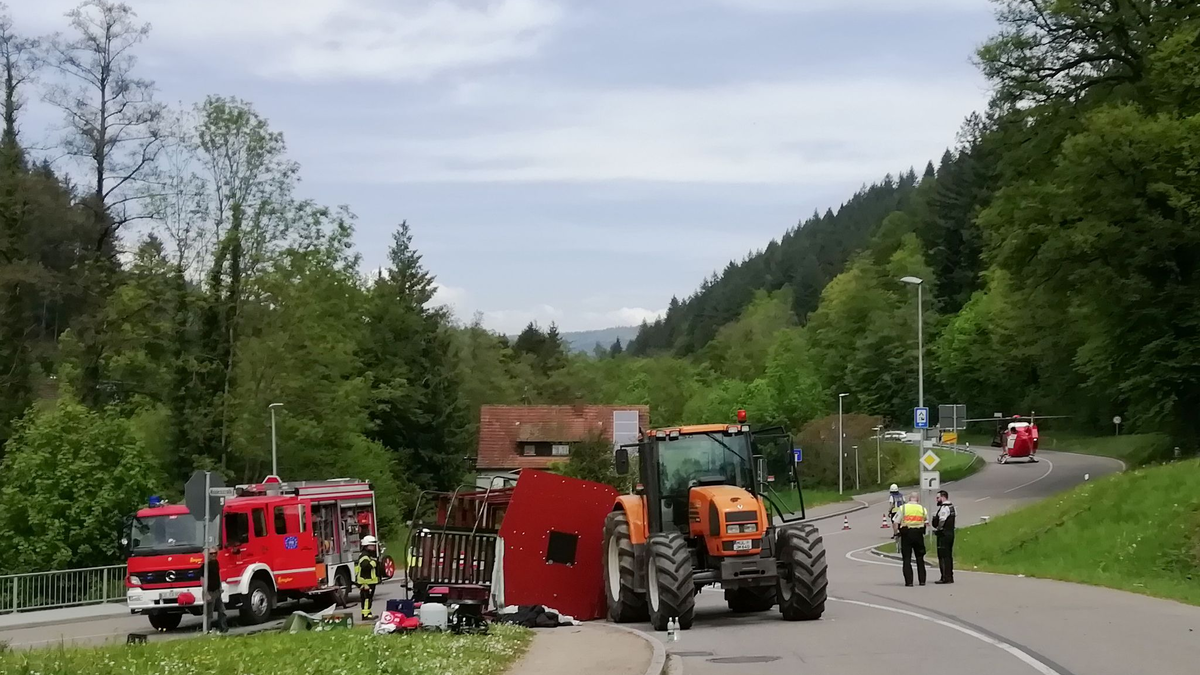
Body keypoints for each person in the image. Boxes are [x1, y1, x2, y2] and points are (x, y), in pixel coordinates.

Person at [893, 492, 928, 587]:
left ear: (909, 499)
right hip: (919, 535)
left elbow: (895, 522)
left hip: (907, 535)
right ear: (918, 499)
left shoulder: (903, 508)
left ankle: (909, 582)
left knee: (907, 559)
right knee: (920, 558)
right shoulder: (922, 509)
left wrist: (896, 533)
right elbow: (926, 522)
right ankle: (922, 580)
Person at [932, 489, 956, 584]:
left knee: (943, 556)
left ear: (943, 497)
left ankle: (945, 577)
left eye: (938, 498)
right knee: (949, 556)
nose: (937, 500)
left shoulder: (944, 508)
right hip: (950, 533)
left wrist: (938, 529)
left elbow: (942, 520)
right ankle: (950, 576)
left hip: (944, 534)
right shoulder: (952, 507)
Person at [356, 535, 381, 620]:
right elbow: (365, 565)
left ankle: (368, 613)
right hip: (366, 582)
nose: (374, 547)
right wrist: (374, 563)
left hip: (369, 581)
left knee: (368, 598)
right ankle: (366, 615)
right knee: (366, 599)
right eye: (372, 545)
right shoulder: (364, 555)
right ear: (367, 546)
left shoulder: (369, 554)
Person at [205, 550, 228, 633]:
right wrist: (206, 593)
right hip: (210, 591)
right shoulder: (205, 566)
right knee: (209, 613)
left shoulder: (216, 563)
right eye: (211, 553)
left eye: (215, 553)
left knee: (222, 609)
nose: (214, 555)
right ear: (208, 555)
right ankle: (207, 630)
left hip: (217, 590)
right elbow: (202, 580)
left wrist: (220, 587)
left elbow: (218, 575)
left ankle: (223, 628)